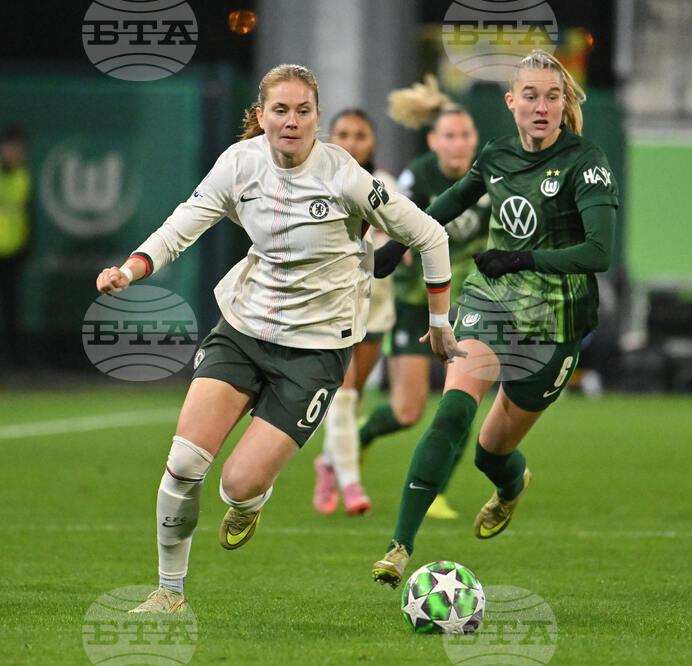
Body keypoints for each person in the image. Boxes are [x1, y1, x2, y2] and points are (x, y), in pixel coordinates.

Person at [95, 63, 462, 614]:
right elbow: (182, 224)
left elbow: (431, 236)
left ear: (318, 117)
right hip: (242, 332)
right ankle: (170, 593)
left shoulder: (347, 177)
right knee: (184, 462)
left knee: (236, 485)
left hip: (314, 354)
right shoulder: (240, 164)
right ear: (262, 115)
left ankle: (249, 501)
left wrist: (438, 322)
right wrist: (132, 268)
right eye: (280, 110)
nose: (291, 121)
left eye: (303, 110)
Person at [368, 50, 619, 587]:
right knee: (451, 413)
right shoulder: (499, 154)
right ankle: (399, 546)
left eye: (553, 96)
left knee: (491, 451)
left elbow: (599, 253)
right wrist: (397, 243)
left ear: (564, 103)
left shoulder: (587, 162)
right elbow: (455, 199)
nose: (542, 106)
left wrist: (522, 258)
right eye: (530, 95)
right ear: (511, 103)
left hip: (557, 323)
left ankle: (510, 487)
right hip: (492, 303)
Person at [358, 76, 490, 520]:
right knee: (408, 411)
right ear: (433, 140)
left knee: (461, 405)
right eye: (449, 136)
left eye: (465, 135)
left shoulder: (489, 179)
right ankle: (360, 436)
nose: (458, 144)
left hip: (470, 304)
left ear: (474, 141)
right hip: (419, 302)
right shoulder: (419, 176)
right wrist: (404, 245)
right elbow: (397, 219)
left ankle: (435, 493)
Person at [312, 108, 399, 516]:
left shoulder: (386, 186)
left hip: (376, 309)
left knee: (355, 397)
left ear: (373, 142)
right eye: (342, 132)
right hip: (331, 307)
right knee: (343, 398)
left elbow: (406, 236)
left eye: (360, 134)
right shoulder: (315, 183)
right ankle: (351, 485)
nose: (350, 140)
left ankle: (328, 463)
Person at [0, 126, 31, 371]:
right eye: (11, 147)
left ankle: (12, 360)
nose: (15, 152)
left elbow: (25, 213)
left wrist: (26, 246)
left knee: (12, 310)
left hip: (12, 253)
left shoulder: (22, 175)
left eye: (19, 148)